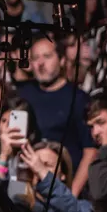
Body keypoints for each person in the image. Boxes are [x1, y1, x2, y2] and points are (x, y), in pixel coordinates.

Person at [15, 33, 95, 196]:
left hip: (64, 185)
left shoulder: (78, 99)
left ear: (62, 60)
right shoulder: (24, 94)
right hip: (29, 188)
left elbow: (91, 151)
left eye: (47, 56)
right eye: (35, 58)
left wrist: (72, 194)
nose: (41, 63)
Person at [13, 141, 93, 212]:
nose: (37, 169)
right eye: (35, 164)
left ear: (63, 174)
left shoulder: (82, 207)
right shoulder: (21, 205)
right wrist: (3, 157)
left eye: (46, 165)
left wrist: (43, 173)